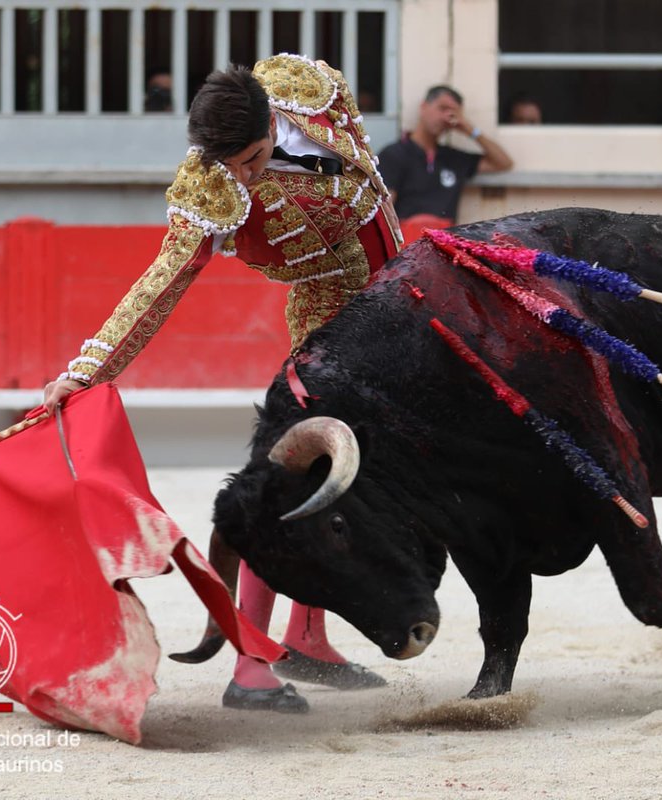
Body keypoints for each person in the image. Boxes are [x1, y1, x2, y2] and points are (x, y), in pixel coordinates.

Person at [43, 54, 403, 713]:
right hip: (329, 311)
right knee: (300, 478)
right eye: (232, 166)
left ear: (270, 124)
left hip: (390, 294)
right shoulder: (211, 184)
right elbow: (163, 281)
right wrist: (87, 371)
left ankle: (306, 634)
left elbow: (364, 171)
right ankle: (253, 663)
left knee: (353, 480)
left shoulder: (305, 85)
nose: (241, 176)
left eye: (252, 160)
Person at [377, 85, 513, 224]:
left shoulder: (453, 158)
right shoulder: (394, 154)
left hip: (444, 240)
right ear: (423, 107)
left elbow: (503, 162)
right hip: (408, 239)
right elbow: (385, 212)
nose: (445, 116)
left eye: (453, 113)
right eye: (442, 108)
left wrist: (469, 129)